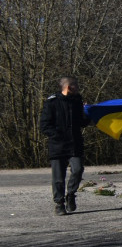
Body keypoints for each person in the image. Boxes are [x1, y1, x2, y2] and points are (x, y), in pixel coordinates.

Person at [39, 76, 87, 216]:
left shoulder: (77, 102)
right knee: (58, 178)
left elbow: (82, 122)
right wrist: (57, 135)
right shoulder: (52, 103)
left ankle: (71, 194)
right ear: (69, 87)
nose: (78, 88)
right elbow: (44, 125)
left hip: (75, 144)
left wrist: (89, 115)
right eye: (76, 86)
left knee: (78, 170)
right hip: (58, 145)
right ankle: (59, 204)